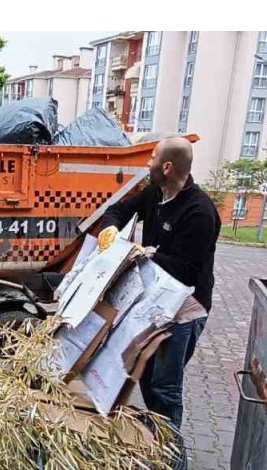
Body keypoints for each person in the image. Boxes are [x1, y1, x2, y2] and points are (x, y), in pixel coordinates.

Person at [94, 135, 220, 441]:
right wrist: (110, 229)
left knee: (164, 390)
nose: (146, 163)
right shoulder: (155, 193)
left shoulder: (199, 212)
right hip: (156, 301)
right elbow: (117, 210)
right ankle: (155, 450)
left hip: (184, 309)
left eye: (151, 158)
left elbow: (186, 269)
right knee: (148, 380)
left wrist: (146, 253)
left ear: (166, 166)